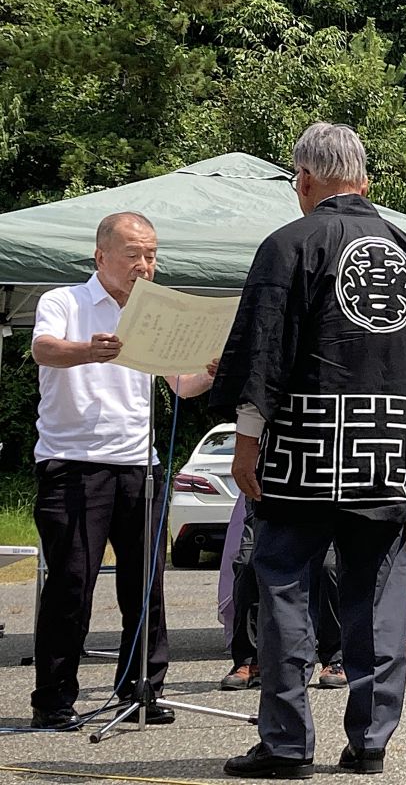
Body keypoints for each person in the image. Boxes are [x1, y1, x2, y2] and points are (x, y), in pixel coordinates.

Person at [212, 123, 406, 779]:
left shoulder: (288, 245)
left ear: (305, 181)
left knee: (286, 586)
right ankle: (371, 741)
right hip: (386, 453)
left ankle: (287, 746)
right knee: (379, 593)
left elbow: (265, 355)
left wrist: (246, 444)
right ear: (366, 182)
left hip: (303, 453)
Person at [29, 211, 215, 730]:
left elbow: (178, 385)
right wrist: (88, 351)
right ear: (101, 256)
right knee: (71, 583)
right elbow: (43, 348)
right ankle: (54, 699)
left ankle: (142, 689)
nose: (144, 265)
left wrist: (208, 373)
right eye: (133, 254)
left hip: (139, 464)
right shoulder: (64, 301)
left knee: (146, 583)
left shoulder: (154, 311)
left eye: (152, 255)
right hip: (74, 463)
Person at [220, 497, 344, 692]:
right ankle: (248, 660)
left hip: (322, 494)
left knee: (328, 567)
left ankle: (336, 658)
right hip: (270, 490)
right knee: (247, 565)